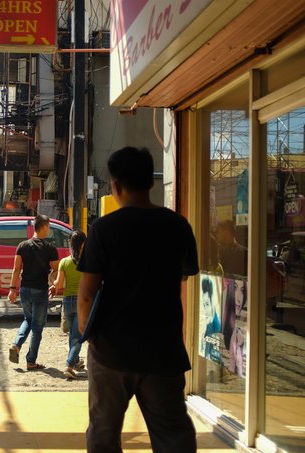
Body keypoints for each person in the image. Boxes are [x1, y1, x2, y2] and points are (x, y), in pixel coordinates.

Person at [78, 147, 199, 452]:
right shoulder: (177, 226)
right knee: (173, 436)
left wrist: (88, 336)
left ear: (116, 186)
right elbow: (183, 280)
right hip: (163, 351)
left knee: (104, 434)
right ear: (151, 182)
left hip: (111, 352)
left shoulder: (103, 229)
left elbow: (86, 294)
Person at [8, 214, 59, 371]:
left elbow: (16, 268)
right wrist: (53, 282)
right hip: (40, 291)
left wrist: (12, 289)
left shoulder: (22, 246)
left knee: (28, 320)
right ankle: (31, 361)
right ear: (43, 227)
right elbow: (57, 269)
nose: (49, 230)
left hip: (24, 290)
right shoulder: (50, 248)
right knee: (37, 327)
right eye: (49, 227)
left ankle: (16, 345)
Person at [50, 231, 87, 379]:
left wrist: (52, 283)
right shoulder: (89, 261)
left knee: (72, 334)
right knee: (77, 337)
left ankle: (76, 361)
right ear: (84, 244)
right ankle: (69, 365)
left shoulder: (64, 262)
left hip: (67, 302)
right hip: (82, 302)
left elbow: (58, 284)